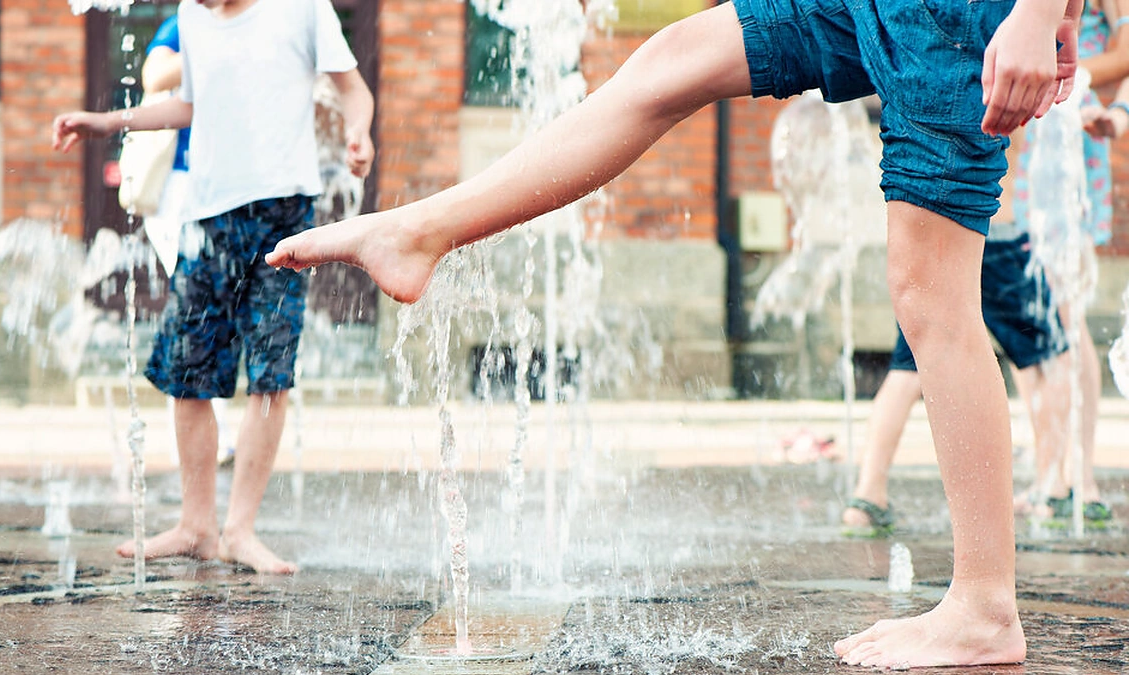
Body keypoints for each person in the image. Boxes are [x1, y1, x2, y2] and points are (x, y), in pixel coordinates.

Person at [267, 0, 1083, 667]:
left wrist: (1040, 8)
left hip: (944, 15)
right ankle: (422, 231)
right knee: (667, 62)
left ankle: (983, 603)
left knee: (931, 296)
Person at [53, 0, 375, 574]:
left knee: (271, 373)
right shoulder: (193, 17)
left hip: (284, 216)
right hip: (206, 216)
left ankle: (240, 531)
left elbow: (353, 89)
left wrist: (358, 133)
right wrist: (107, 123)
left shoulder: (302, 9)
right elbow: (190, 107)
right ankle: (196, 526)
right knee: (189, 368)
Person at [841, 224, 1071, 537]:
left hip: (923, 248)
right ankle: (1052, 486)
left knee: (907, 368)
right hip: (994, 241)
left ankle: (867, 496)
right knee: (1046, 358)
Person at [1010, 0, 1129, 525]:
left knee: (1065, 310)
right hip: (1031, 148)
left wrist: (1115, 110)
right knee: (1031, 316)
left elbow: (1127, 53)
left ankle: (1078, 474)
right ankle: (1049, 468)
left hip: (1074, 146)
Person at [138, 14, 234, 468]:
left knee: (216, 302)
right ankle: (209, 433)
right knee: (196, 302)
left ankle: (214, 429)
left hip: (234, 184)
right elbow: (154, 75)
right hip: (179, 185)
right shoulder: (187, 21)